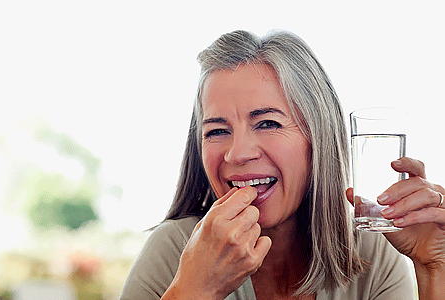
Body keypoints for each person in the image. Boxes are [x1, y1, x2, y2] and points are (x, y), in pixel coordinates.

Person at [120, 30, 445, 299]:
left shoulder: (374, 254)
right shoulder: (173, 251)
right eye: (217, 131)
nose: (237, 154)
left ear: (318, 138)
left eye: (267, 124)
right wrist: (195, 289)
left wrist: (435, 267)